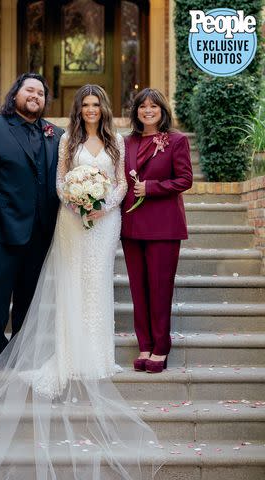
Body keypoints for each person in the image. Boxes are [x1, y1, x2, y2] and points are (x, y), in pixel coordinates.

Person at [0, 85, 163, 479]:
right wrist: (79, 202)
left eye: (95, 103)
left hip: (105, 223)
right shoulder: (65, 137)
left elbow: (120, 181)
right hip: (71, 220)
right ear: (76, 108)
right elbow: (60, 181)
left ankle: (98, 353)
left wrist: (103, 205)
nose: (90, 110)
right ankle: (56, 351)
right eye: (83, 104)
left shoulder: (115, 139)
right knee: (68, 283)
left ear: (103, 106)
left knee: (97, 282)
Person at [0, 73, 64, 377]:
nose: (35, 96)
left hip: (41, 229)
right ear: (16, 94)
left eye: (41, 93)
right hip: (0, 227)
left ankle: (22, 350)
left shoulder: (56, 134)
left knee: (28, 293)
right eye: (29, 90)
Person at [121, 88, 193, 374]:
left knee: (160, 290)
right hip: (132, 227)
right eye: (142, 106)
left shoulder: (176, 140)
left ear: (163, 110)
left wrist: (151, 188)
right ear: (136, 111)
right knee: (138, 290)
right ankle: (145, 345)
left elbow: (185, 179)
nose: (147, 110)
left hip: (164, 226)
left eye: (153, 106)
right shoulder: (126, 142)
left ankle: (161, 347)